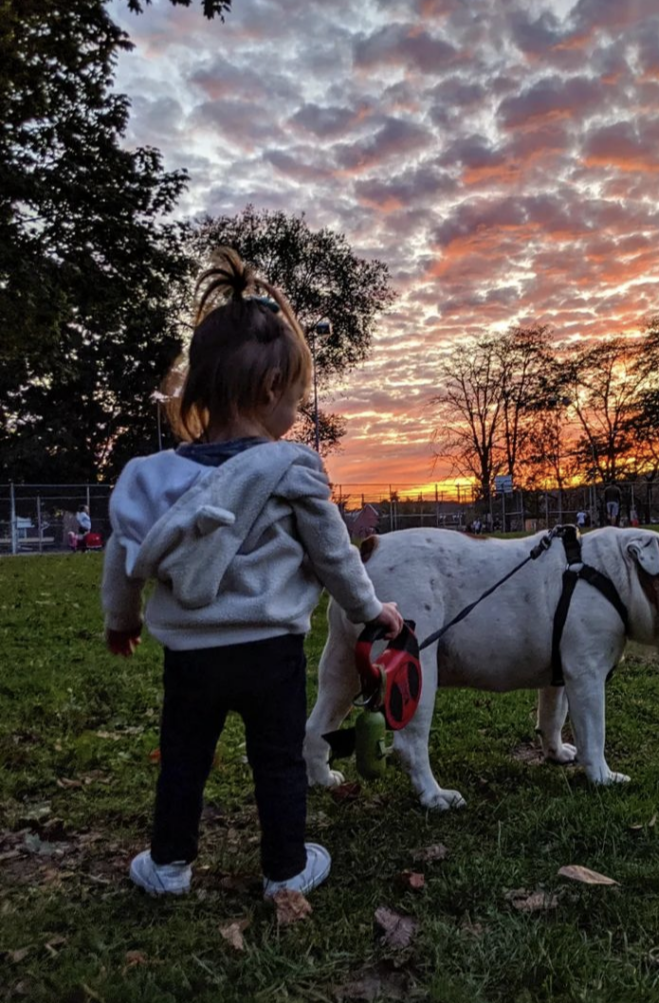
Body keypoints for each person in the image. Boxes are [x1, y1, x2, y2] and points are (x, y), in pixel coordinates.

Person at [101, 248, 402, 901]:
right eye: (294, 400)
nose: (294, 414)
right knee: (279, 762)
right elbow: (333, 556)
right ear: (271, 391)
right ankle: (284, 869)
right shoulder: (293, 470)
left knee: (183, 758)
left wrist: (120, 620)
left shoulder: (148, 478)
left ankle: (170, 865)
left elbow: (122, 557)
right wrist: (373, 609)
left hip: (190, 656)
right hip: (270, 652)